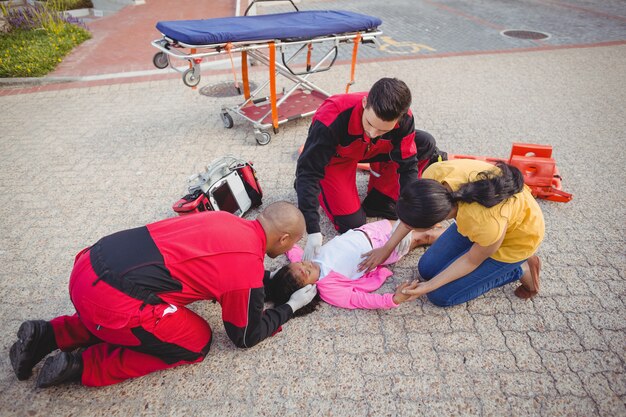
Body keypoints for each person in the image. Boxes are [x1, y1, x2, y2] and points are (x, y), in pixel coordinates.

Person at [9, 202, 317, 388]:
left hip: (89, 264)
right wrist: (290, 306)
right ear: (285, 237)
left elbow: (215, 264)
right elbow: (246, 335)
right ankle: (83, 366)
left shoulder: (223, 217)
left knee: (137, 302)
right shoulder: (247, 270)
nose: (290, 252)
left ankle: (48, 335)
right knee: (195, 342)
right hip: (109, 300)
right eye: (292, 245)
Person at [295, 77, 445, 261]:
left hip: (372, 149)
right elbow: (308, 173)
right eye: (370, 124)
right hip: (337, 159)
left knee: (425, 143)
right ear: (365, 103)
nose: (373, 133)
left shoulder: (405, 119)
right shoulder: (332, 116)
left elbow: (408, 166)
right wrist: (312, 229)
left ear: (399, 118)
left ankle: (380, 198)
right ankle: (329, 190)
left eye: (383, 130)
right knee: (353, 224)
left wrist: (406, 218)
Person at [359, 159, 545, 306]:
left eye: (412, 226)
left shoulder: (484, 223)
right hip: (483, 223)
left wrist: (428, 287)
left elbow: (471, 260)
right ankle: (485, 256)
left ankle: (520, 268)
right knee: (427, 268)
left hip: (516, 240)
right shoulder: (435, 177)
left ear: (435, 223)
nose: (406, 226)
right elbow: (413, 210)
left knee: (440, 296)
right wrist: (387, 248)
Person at [265, 220, 444, 311]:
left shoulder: (306, 258)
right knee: (424, 237)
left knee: (413, 221)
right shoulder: (329, 288)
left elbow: (288, 248)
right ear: (307, 289)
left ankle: (439, 220)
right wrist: (393, 300)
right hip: (385, 249)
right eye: (305, 273)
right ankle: (458, 235)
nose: (305, 264)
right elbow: (359, 300)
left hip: (370, 230)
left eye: (298, 264)